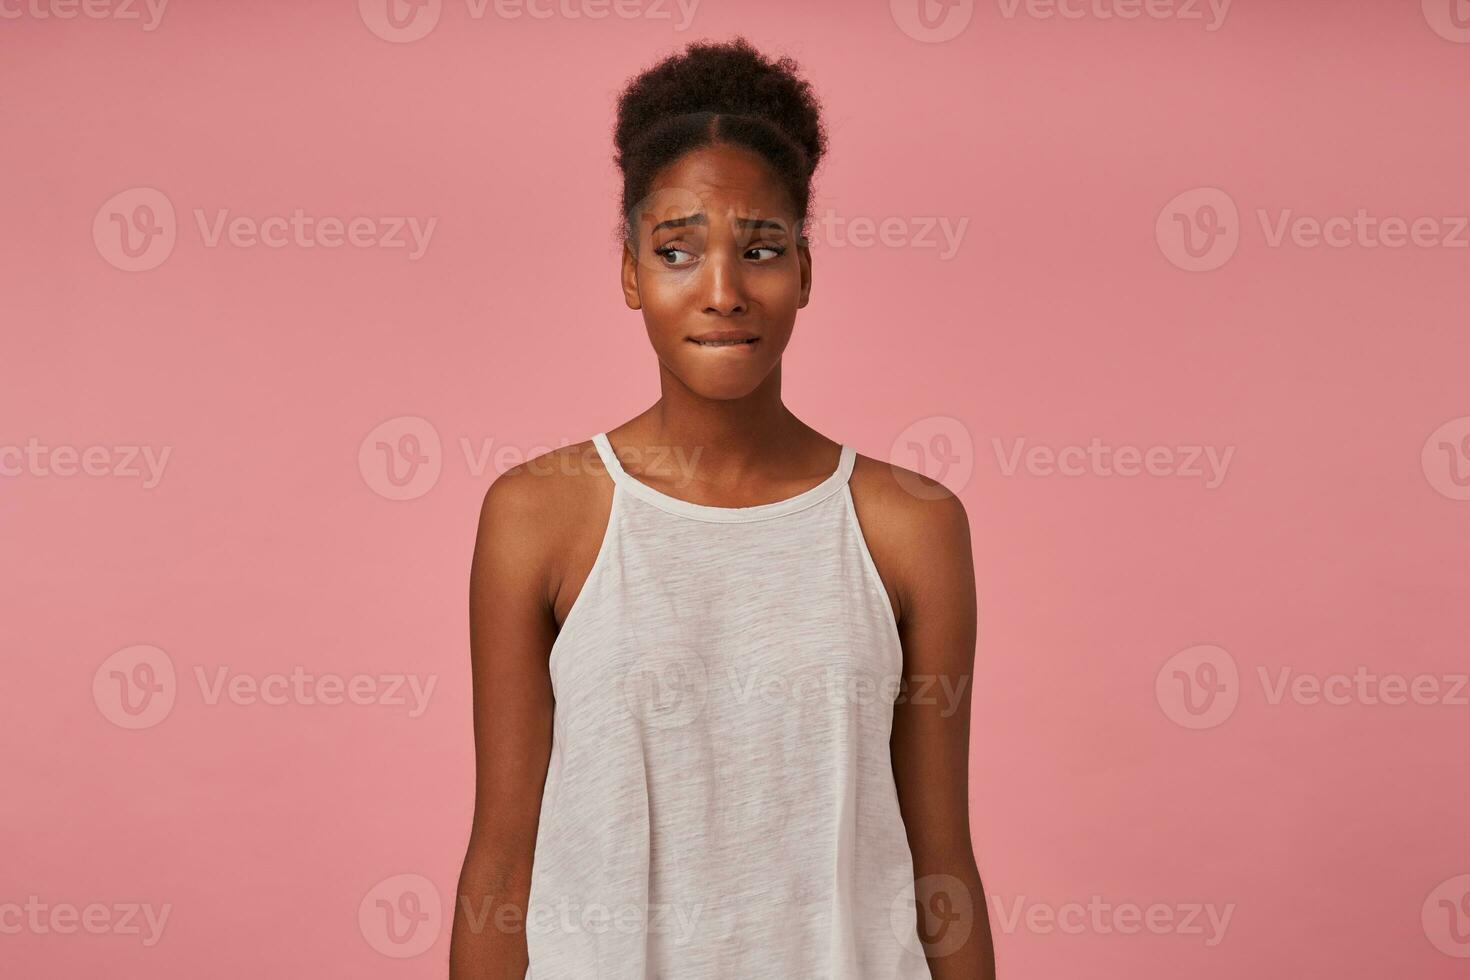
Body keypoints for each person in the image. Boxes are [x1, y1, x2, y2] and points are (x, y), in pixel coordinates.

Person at [450, 36, 995, 980]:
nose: (723, 292)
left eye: (761, 249)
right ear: (630, 272)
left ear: (806, 271)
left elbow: (942, 861)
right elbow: (502, 857)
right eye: (677, 251)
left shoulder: (911, 526)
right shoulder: (538, 516)